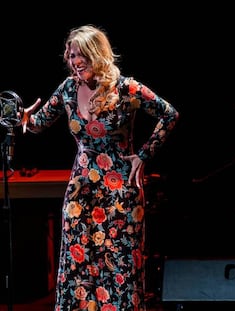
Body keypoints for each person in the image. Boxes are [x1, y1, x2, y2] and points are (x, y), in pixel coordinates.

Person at [21, 24, 179, 311]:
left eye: (81, 55)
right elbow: (37, 124)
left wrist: (143, 155)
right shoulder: (68, 89)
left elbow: (169, 115)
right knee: (77, 266)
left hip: (121, 193)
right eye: (70, 55)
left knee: (120, 267)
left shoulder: (127, 88)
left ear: (98, 55)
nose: (74, 61)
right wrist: (21, 118)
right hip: (81, 191)